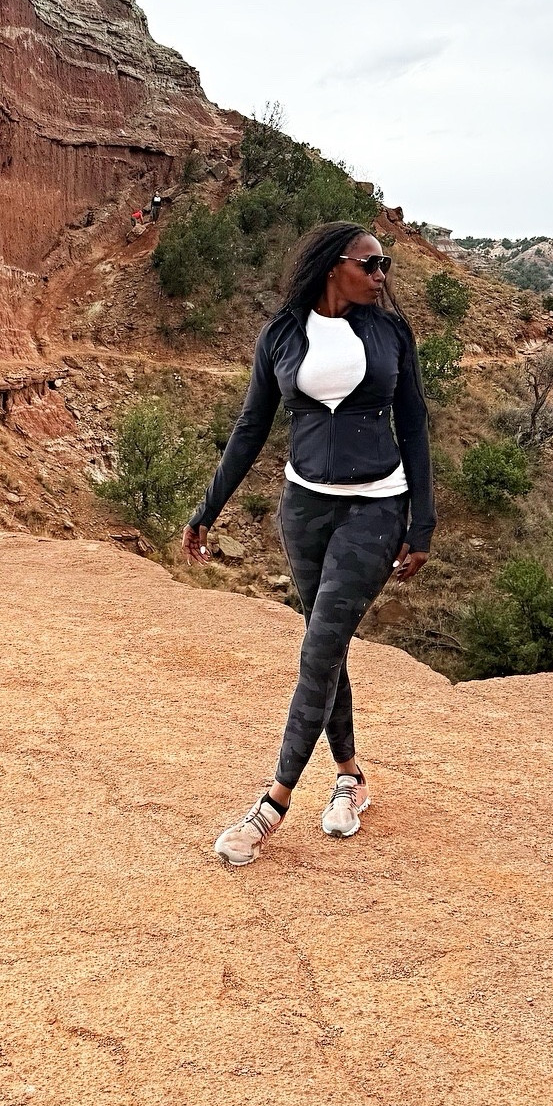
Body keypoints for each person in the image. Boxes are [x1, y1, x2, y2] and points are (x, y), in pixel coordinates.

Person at [182, 220, 435, 867]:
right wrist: (208, 508)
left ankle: (272, 806)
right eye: (371, 265)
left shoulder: (390, 332)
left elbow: (413, 423)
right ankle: (351, 776)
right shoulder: (283, 335)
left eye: (386, 267)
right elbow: (250, 428)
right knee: (330, 643)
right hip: (304, 508)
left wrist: (422, 521)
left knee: (320, 644)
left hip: (378, 505)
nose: (382, 278)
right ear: (333, 267)